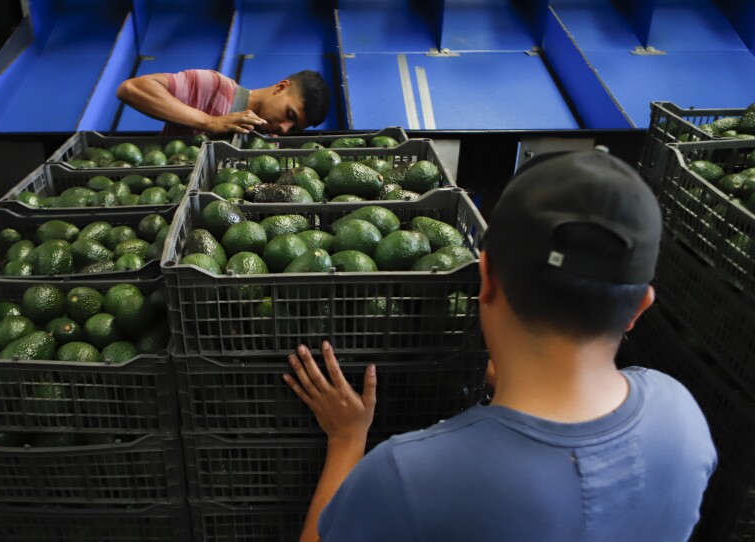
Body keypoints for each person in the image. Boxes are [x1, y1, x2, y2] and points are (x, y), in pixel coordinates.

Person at [283, 150, 717, 542]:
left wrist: (346, 438)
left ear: (485, 279)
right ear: (640, 307)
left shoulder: (409, 475)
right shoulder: (683, 416)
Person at [116, 68, 330, 136]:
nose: (284, 129)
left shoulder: (270, 142)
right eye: (289, 115)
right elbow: (132, 89)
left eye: (293, 128)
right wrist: (210, 122)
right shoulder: (215, 86)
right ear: (281, 87)